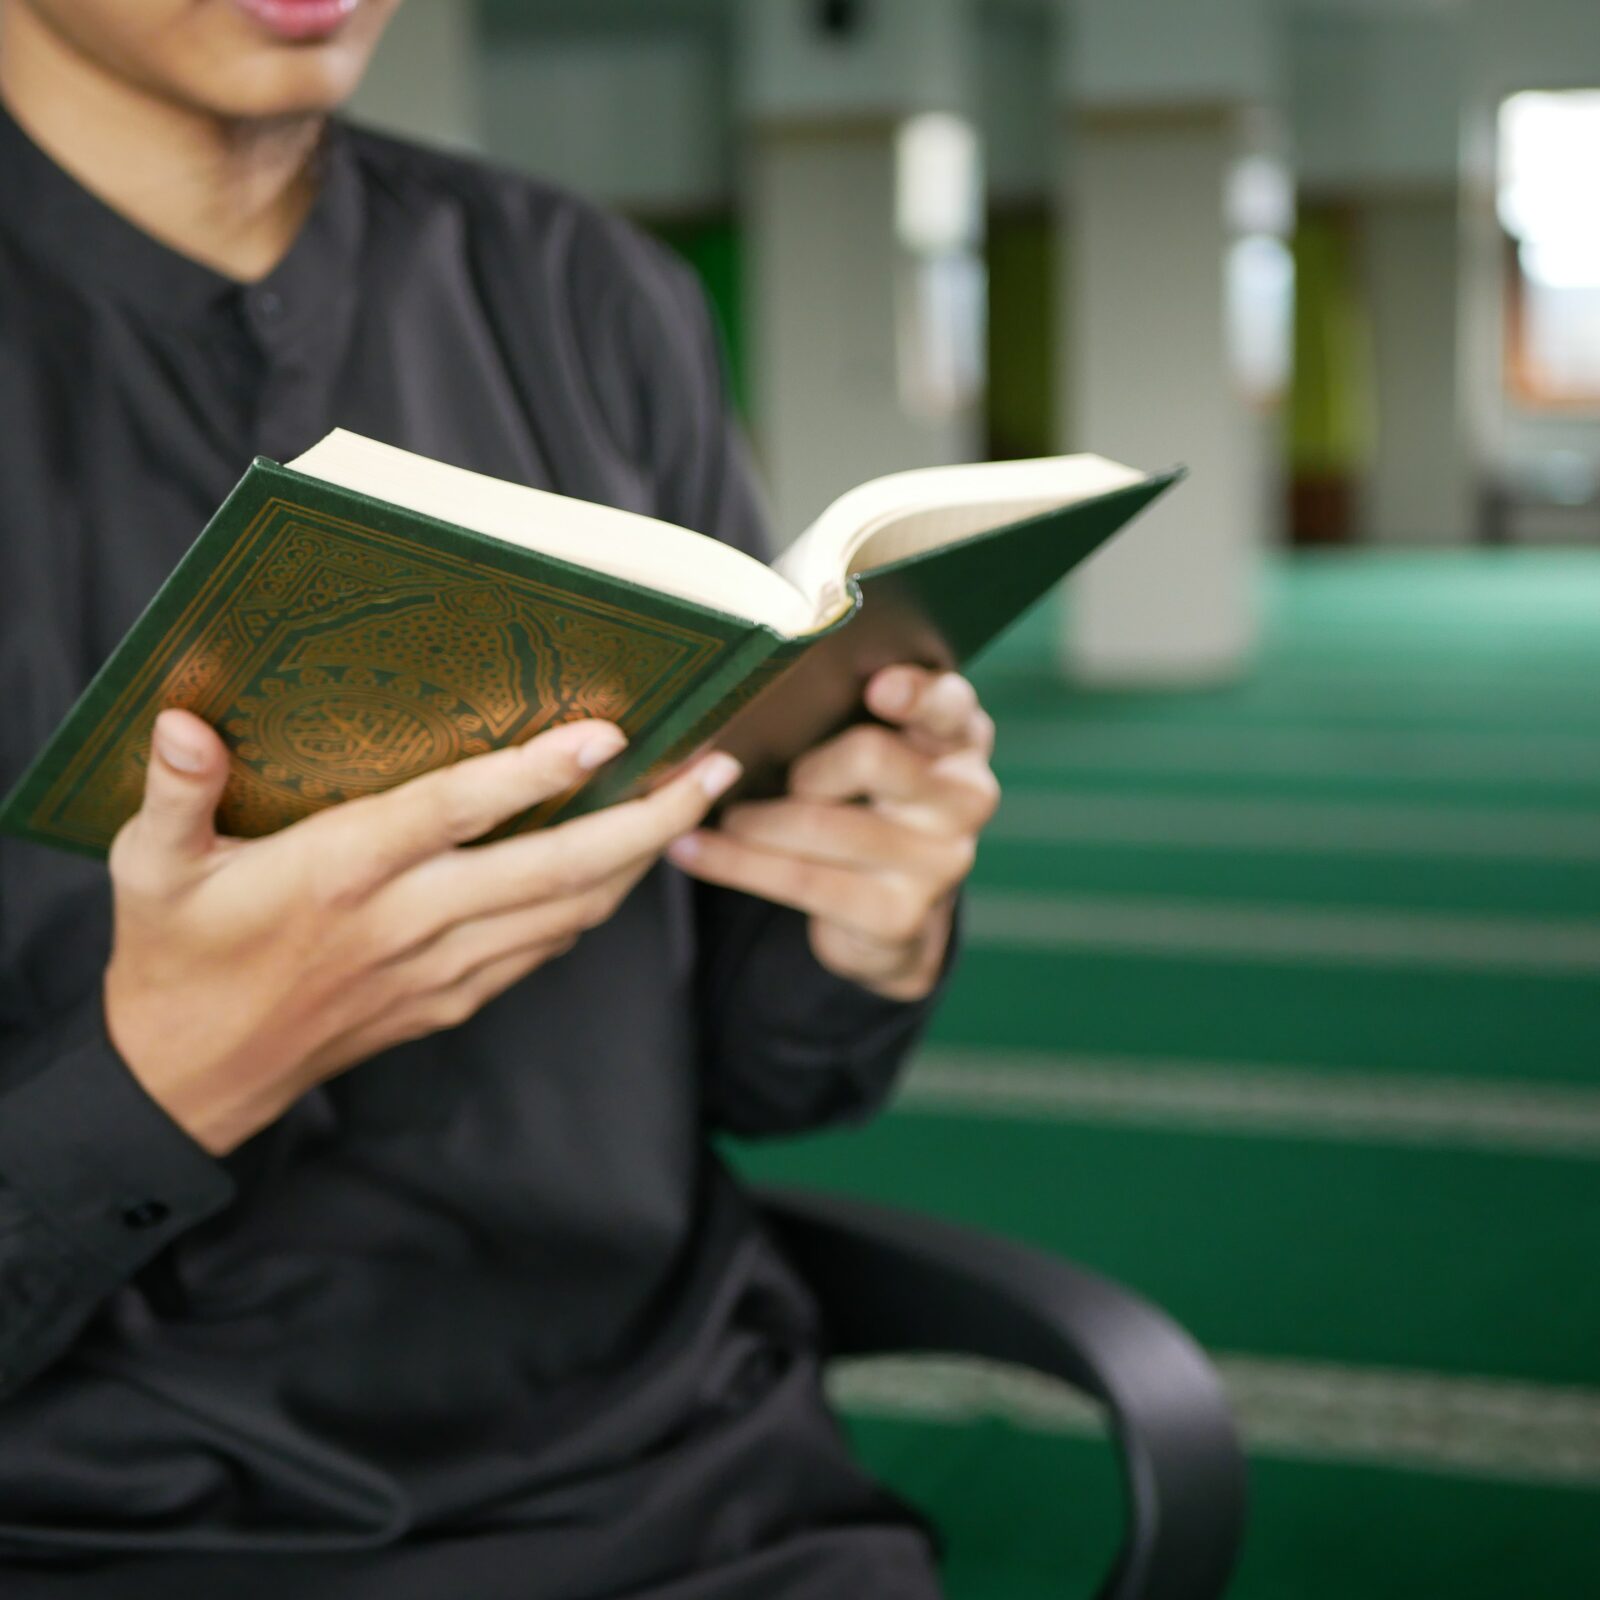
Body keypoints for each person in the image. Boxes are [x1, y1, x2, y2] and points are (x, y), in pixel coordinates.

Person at [0, 2, 1002, 1596]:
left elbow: (758, 1074)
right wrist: (165, 1079)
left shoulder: (585, 290)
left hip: (682, 1481)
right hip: (111, 1533)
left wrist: (865, 924)